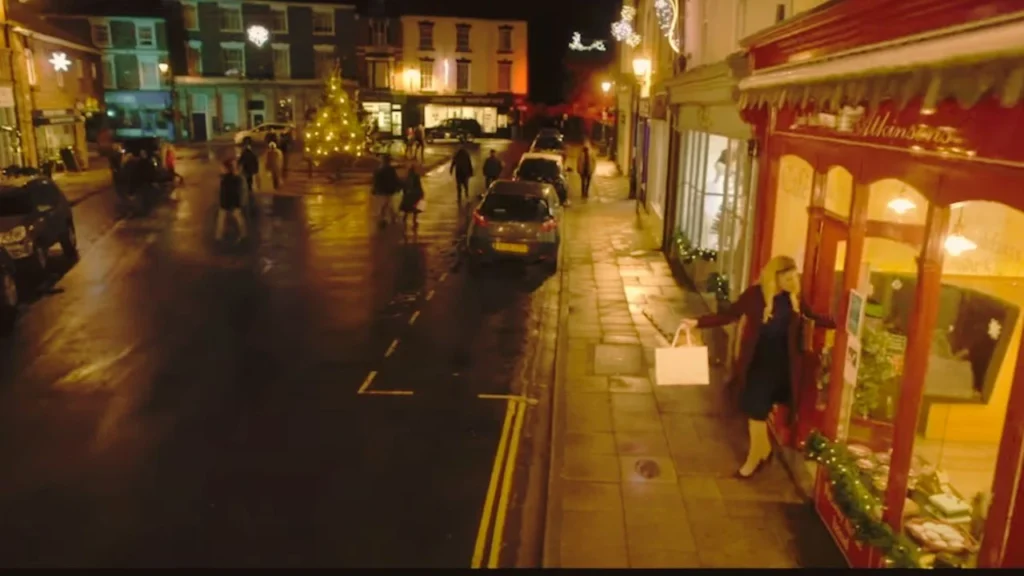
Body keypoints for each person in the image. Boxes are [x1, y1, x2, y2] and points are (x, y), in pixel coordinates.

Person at [677, 255, 835, 479]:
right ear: (775, 276)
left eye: (794, 278)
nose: (792, 283)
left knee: (757, 411)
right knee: (754, 409)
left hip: (783, 364)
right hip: (758, 361)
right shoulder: (754, 296)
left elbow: (813, 317)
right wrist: (698, 322)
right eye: (787, 278)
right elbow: (729, 315)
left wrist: (840, 323)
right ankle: (758, 454)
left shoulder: (794, 298)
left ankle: (759, 454)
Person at [216, 159, 247, 243]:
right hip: (228, 203)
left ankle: (242, 235)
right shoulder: (229, 178)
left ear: (227, 168)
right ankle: (219, 236)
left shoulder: (230, 179)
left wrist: (235, 203)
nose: (220, 169)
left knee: (237, 219)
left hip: (229, 203)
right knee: (224, 220)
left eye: (222, 167)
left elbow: (233, 193)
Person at [371, 155, 402, 227]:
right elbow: (395, 179)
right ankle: (389, 218)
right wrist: (398, 186)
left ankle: (386, 218)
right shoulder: (389, 169)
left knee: (385, 204)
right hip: (388, 190)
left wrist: (375, 189)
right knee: (387, 204)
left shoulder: (379, 169)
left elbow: (376, 181)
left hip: (382, 190)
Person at [400, 164, 425, 230]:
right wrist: (421, 193)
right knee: (415, 208)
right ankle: (414, 221)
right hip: (415, 194)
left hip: (409, 194)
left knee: (407, 208)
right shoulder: (416, 177)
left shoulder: (407, 177)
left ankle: (404, 218)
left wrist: (404, 192)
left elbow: (404, 185)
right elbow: (419, 185)